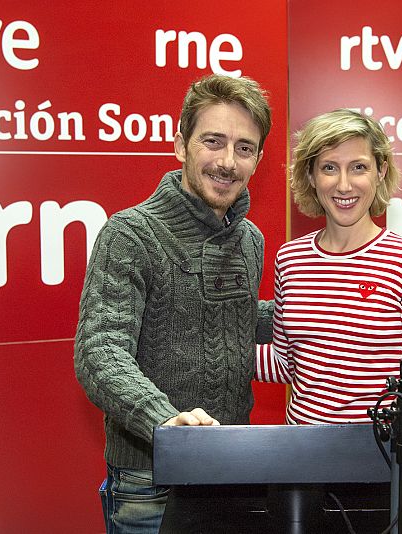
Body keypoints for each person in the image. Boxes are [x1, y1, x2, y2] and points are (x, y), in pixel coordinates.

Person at [74, 73, 275, 534]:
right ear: (181, 145)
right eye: (213, 141)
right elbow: (99, 352)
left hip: (233, 470)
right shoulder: (130, 234)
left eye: (244, 148)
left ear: (258, 158)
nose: (227, 162)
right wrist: (166, 422)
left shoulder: (251, 240)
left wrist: (316, 307)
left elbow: (233, 318)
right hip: (151, 483)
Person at [255, 108, 402, 500]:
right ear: (310, 176)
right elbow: (287, 363)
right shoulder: (289, 259)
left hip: (377, 471)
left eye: (358, 166)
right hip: (301, 466)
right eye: (329, 167)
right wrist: (208, 354)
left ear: (380, 171)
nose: (344, 184)